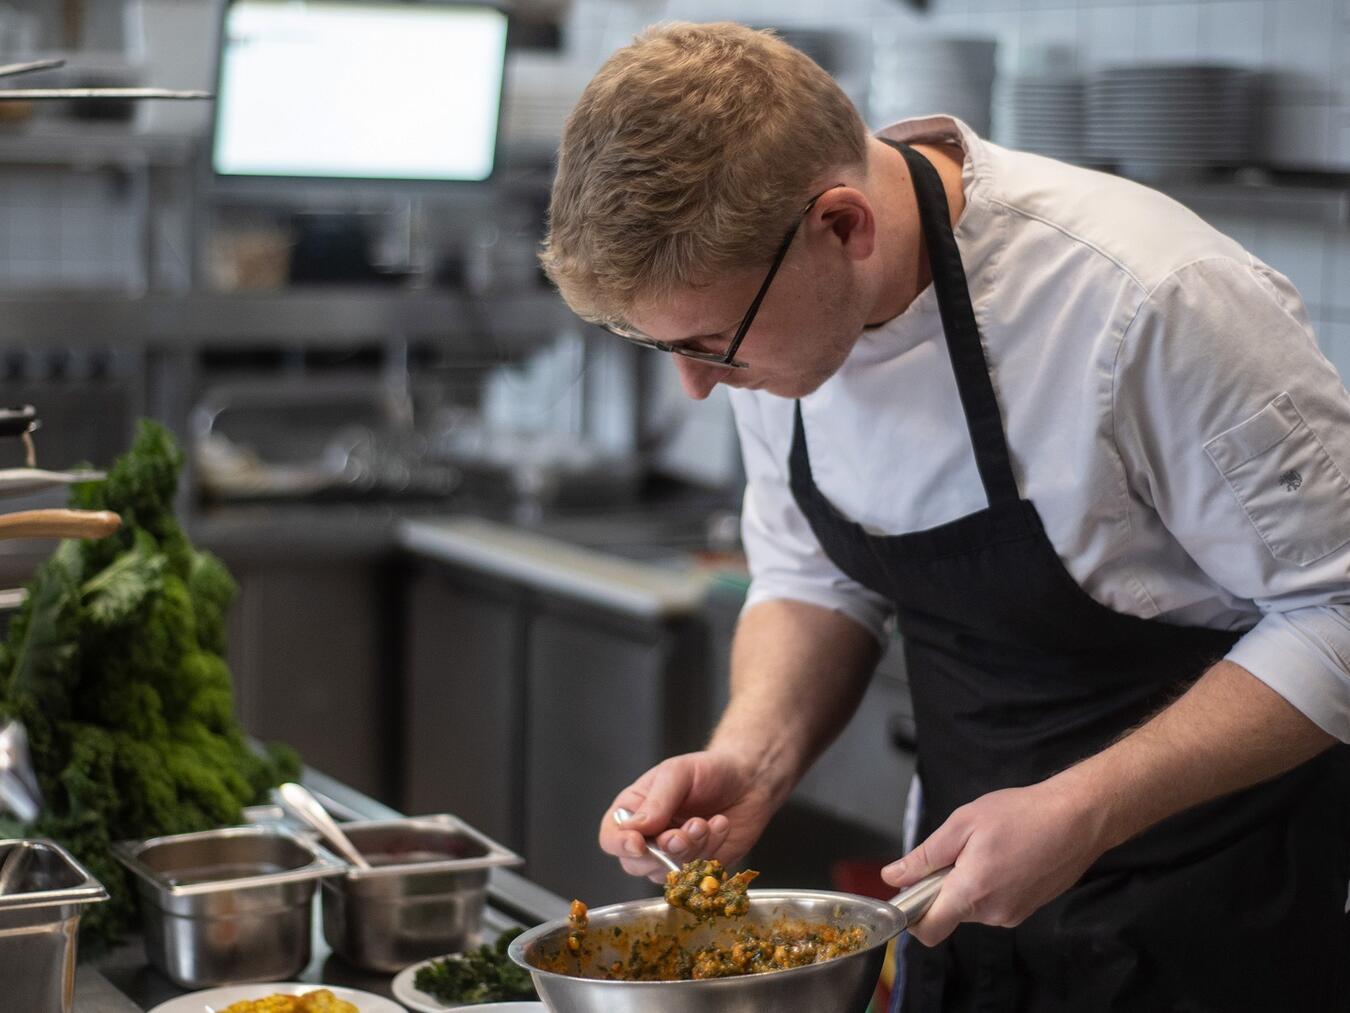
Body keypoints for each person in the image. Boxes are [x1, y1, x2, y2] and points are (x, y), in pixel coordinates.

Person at [538, 21, 1350, 1011]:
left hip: (1216, 923)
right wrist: (754, 755)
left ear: (844, 226)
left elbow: (1336, 609)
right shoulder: (774, 307)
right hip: (958, 915)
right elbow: (810, 575)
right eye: (662, 345)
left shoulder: (1149, 301)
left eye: (712, 345)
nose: (697, 387)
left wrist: (1084, 807)